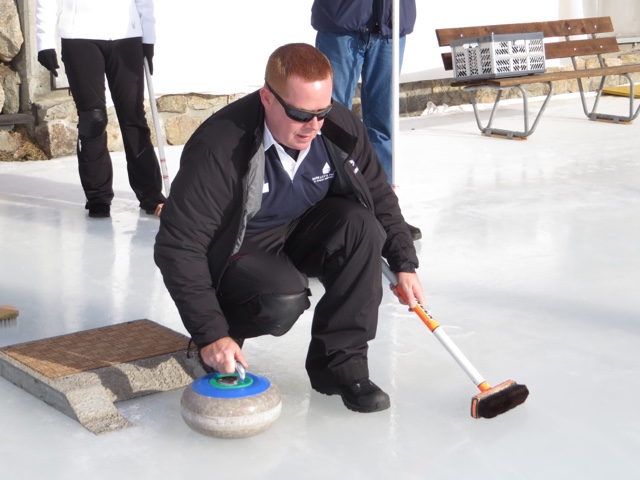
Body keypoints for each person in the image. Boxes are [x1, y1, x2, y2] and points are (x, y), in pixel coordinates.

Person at [154, 43, 425, 413]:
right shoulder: (220, 146)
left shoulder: (337, 128)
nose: (313, 126)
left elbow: (377, 193)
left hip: (302, 228)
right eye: (300, 114)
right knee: (281, 300)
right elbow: (178, 246)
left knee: (361, 227)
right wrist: (210, 333)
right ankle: (225, 338)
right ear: (267, 98)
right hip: (240, 246)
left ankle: (341, 369)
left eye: (322, 112)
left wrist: (403, 261)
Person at [35, 0, 166, 218]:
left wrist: (148, 37)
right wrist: (44, 42)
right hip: (79, 37)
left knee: (133, 116)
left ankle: (151, 194)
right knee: (92, 119)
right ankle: (97, 196)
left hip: (127, 36)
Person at [311, 0, 422, 240]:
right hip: (342, 22)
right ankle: (332, 210)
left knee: (384, 126)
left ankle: (386, 213)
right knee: (330, 123)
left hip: (390, 26)